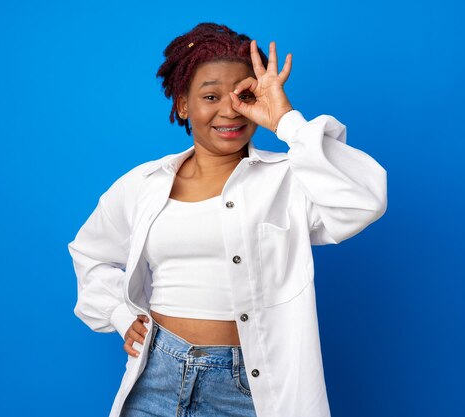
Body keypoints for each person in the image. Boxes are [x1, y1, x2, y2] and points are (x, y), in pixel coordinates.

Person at [68, 22, 387, 417]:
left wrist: (284, 119)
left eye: (243, 95)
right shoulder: (143, 184)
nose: (228, 110)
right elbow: (89, 252)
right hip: (156, 378)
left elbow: (364, 201)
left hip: (248, 390)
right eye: (210, 96)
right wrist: (120, 313)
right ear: (183, 104)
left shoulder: (288, 178)